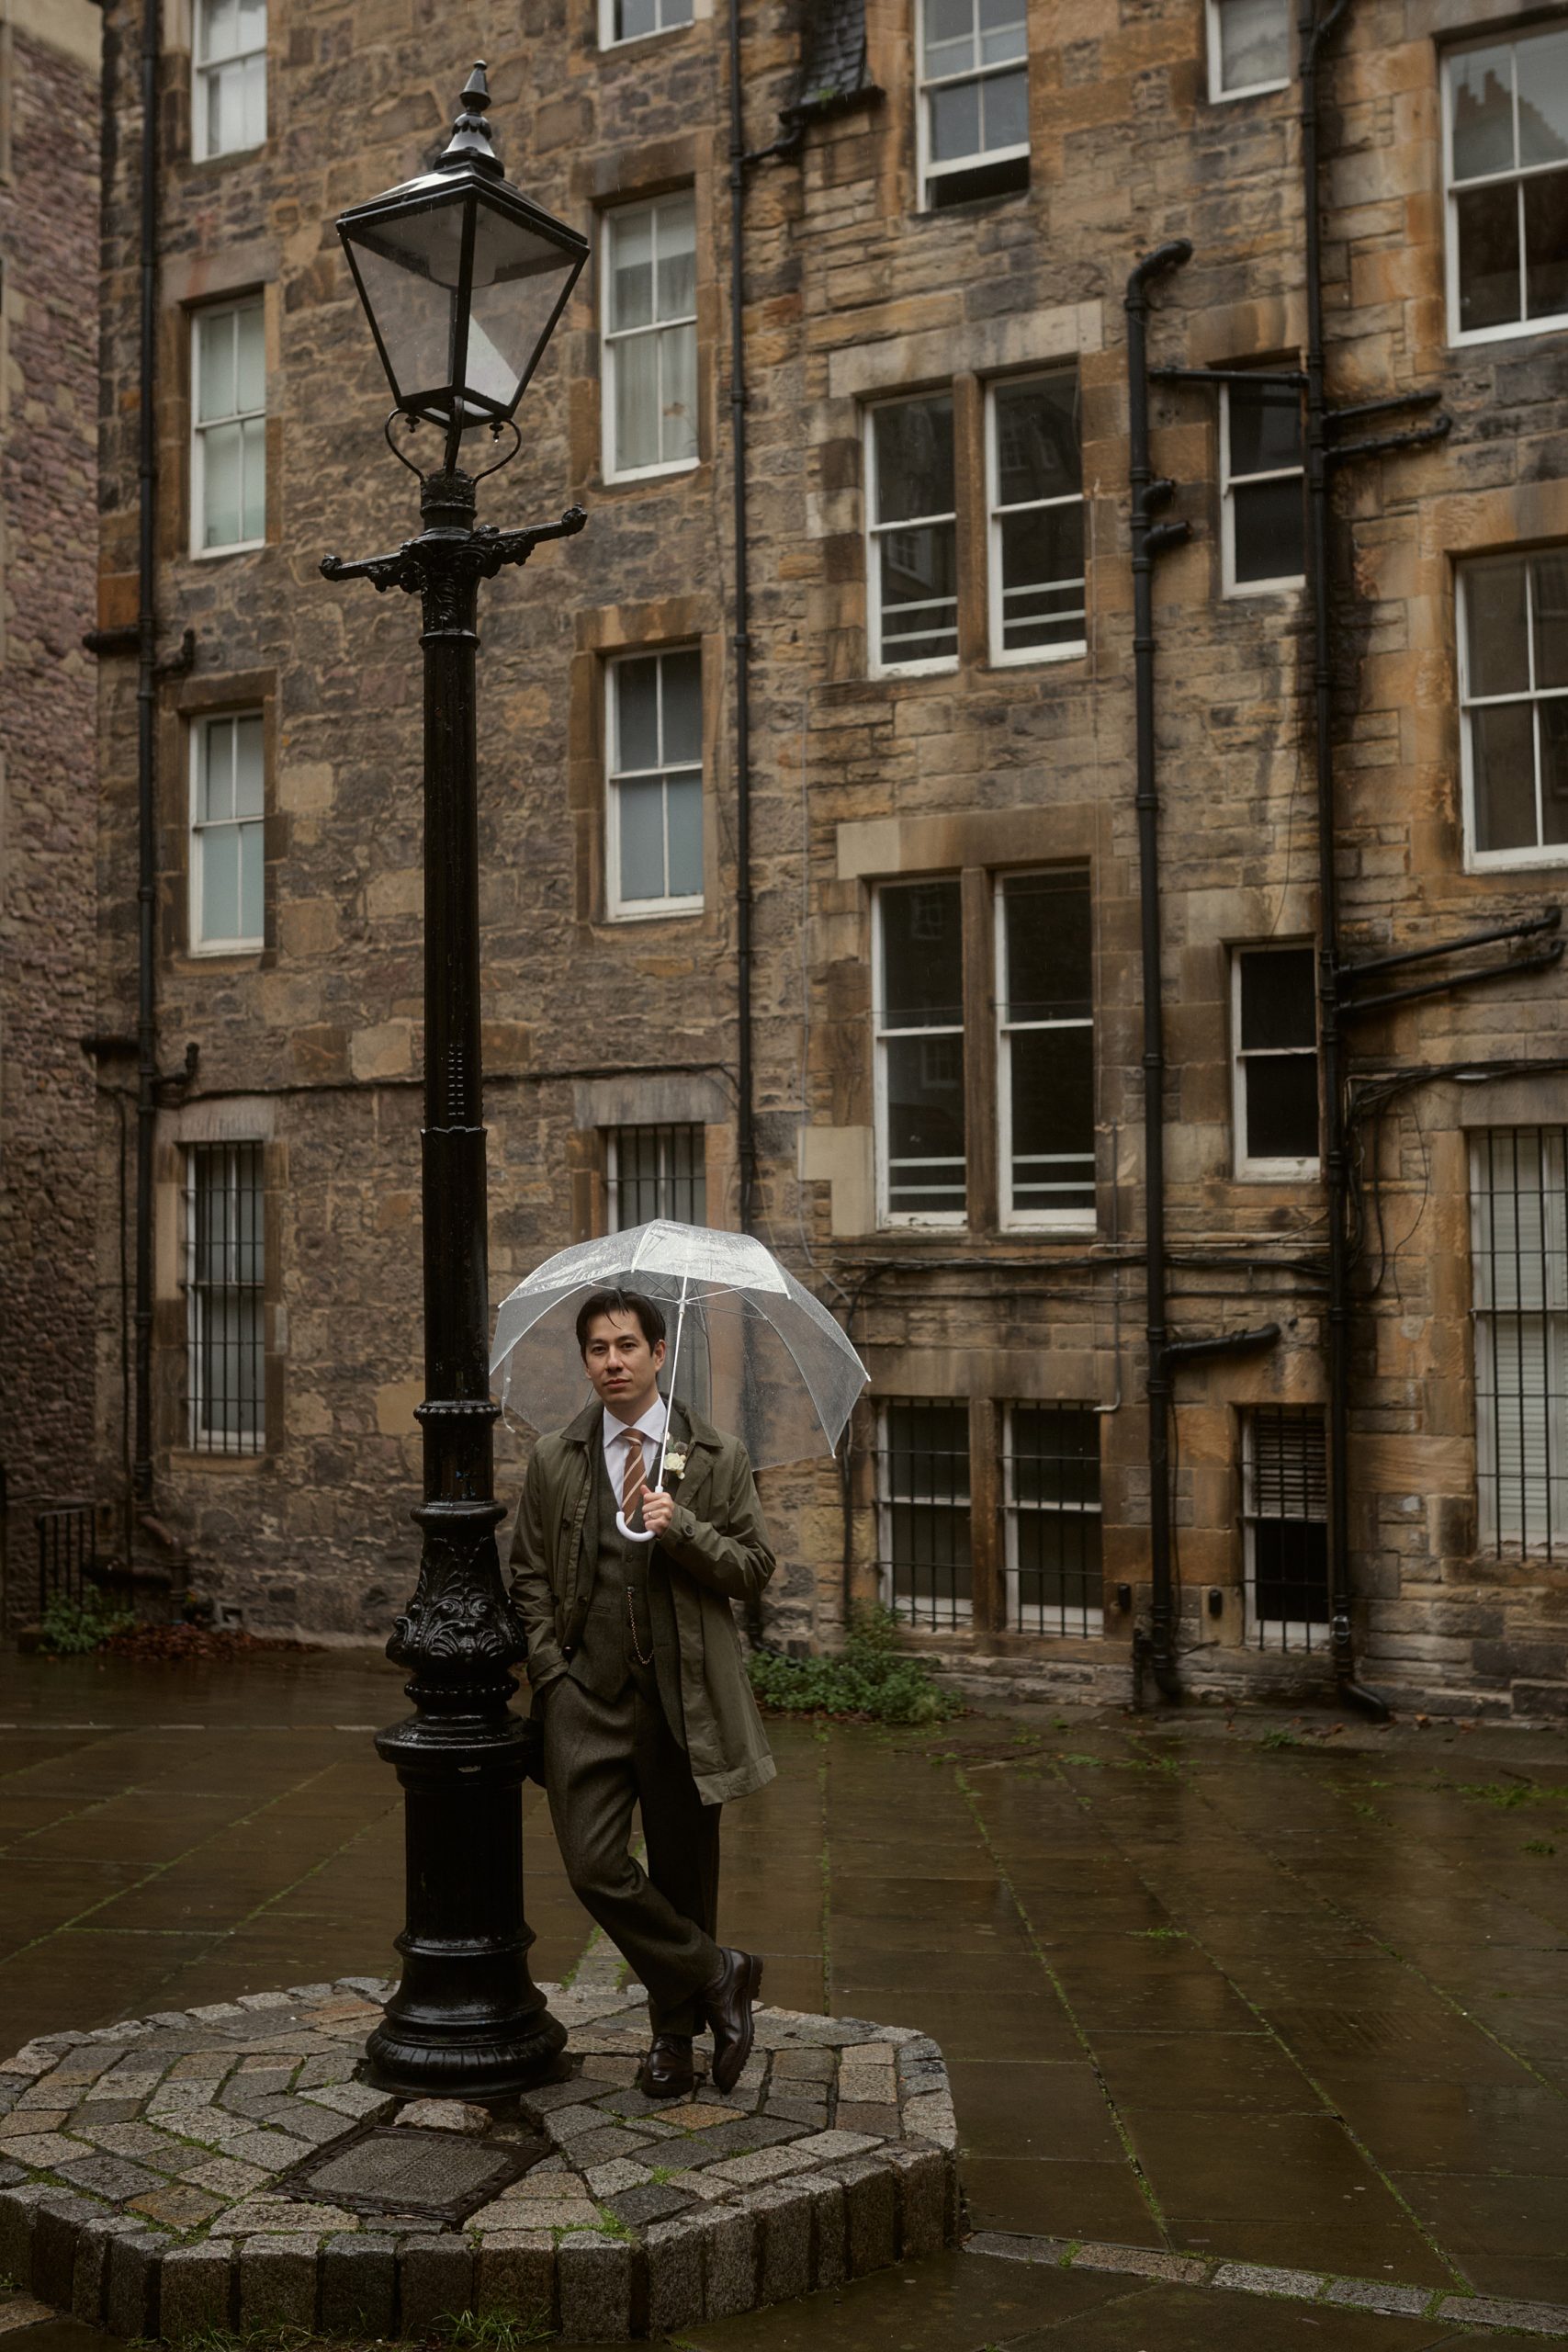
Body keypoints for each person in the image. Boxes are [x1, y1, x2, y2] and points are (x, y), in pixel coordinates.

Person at [509, 1285, 775, 2098]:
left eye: (627, 1346)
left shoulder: (714, 1455)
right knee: (592, 1866)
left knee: (683, 1876)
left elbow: (754, 1571)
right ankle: (719, 1972)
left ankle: (673, 2045)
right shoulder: (557, 1457)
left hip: (681, 1700)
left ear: (659, 1354)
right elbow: (526, 1576)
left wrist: (682, 1528)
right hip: (584, 1697)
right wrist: (551, 1672)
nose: (612, 1362)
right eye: (597, 1349)